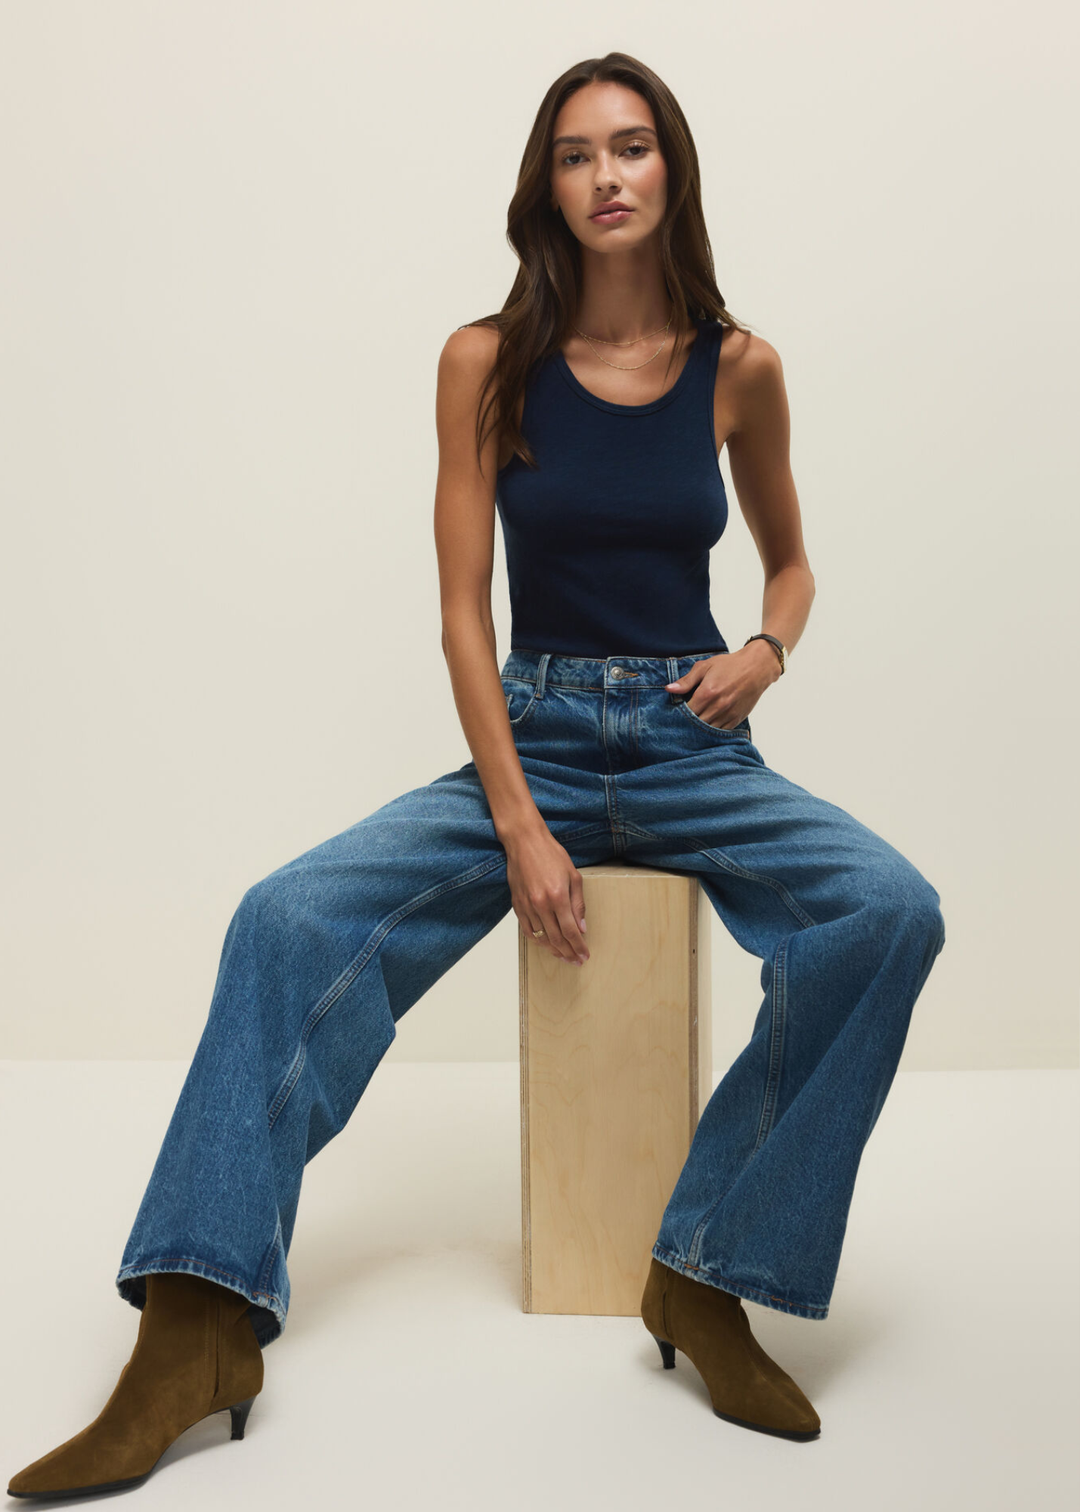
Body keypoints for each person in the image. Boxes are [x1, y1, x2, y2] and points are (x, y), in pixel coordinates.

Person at [8, 50, 947, 1497]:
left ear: (673, 172)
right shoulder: (483, 360)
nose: (608, 176)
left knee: (889, 910)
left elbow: (796, 561)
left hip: (694, 738)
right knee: (282, 915)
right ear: (547, 188)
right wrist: (516, 818)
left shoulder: (739, 365)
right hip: (541, 732)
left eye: (633, 148)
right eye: (577, 156)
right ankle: (196, 1324)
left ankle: (709, 1270)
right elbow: (461, 608)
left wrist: (766, 648)